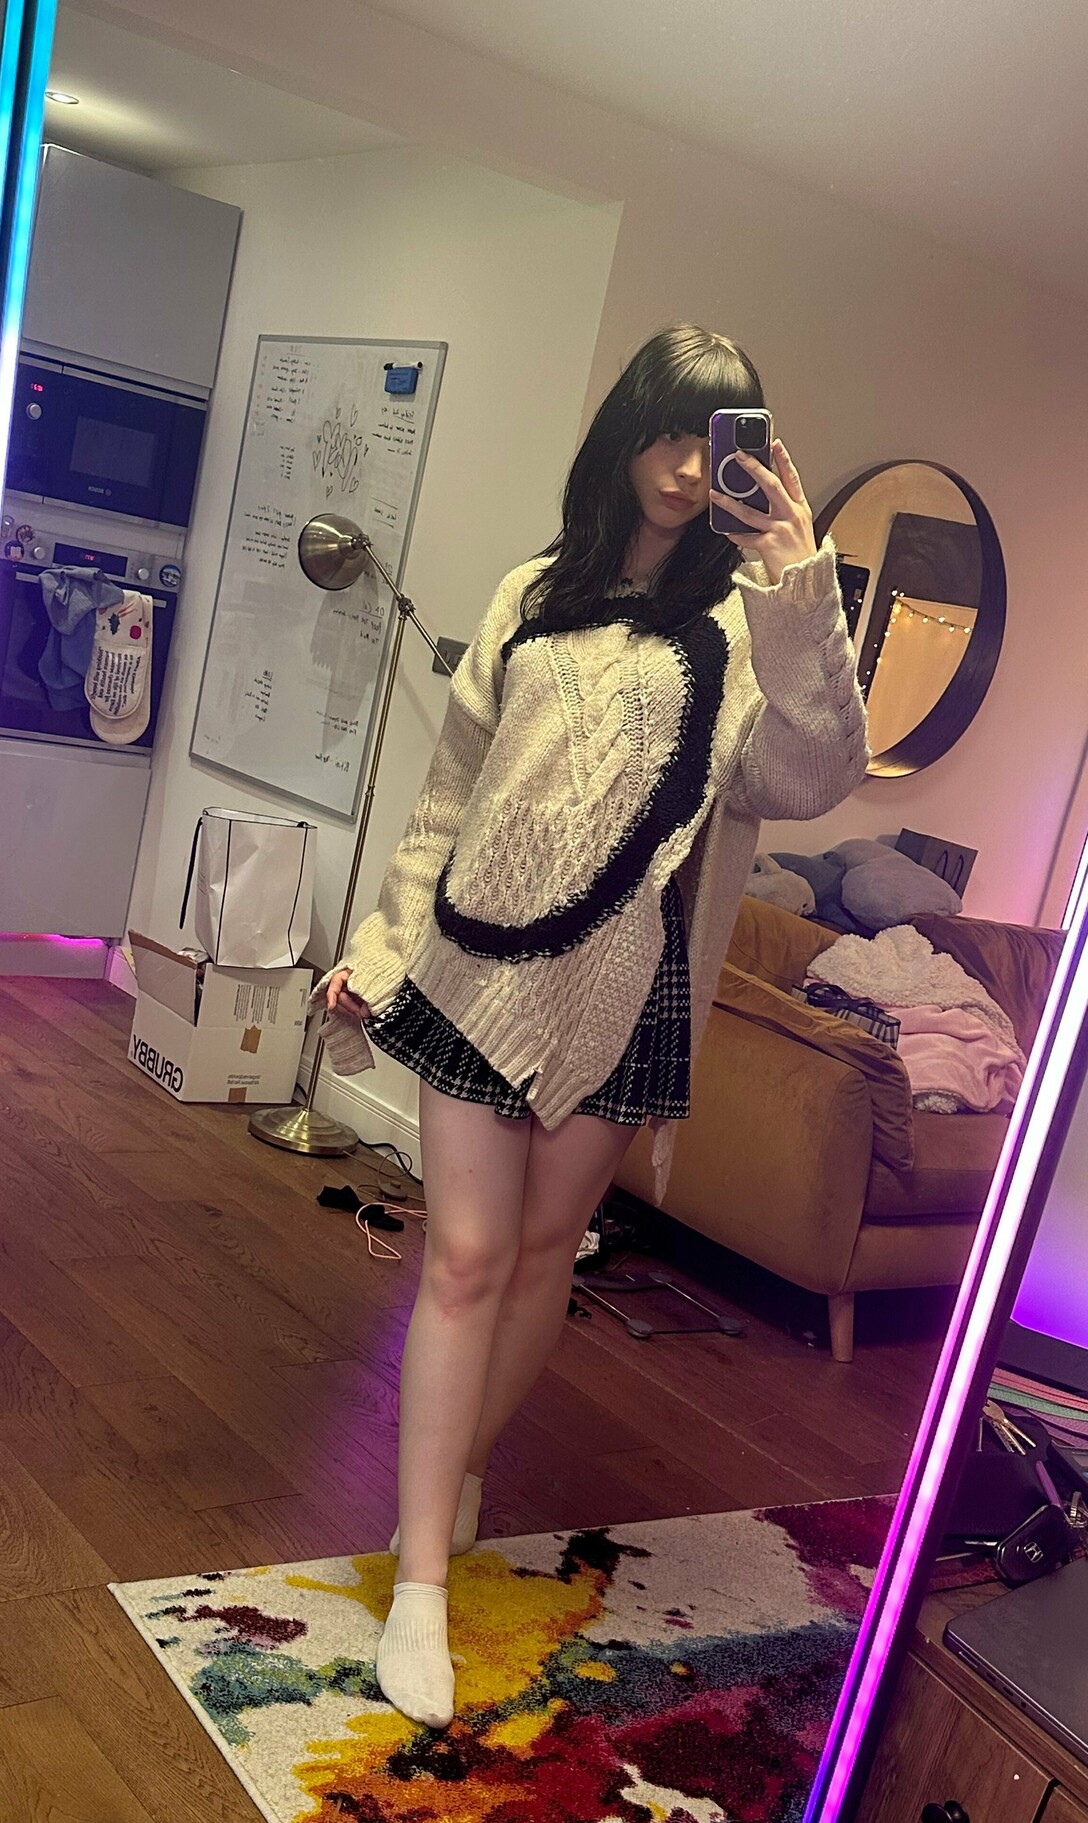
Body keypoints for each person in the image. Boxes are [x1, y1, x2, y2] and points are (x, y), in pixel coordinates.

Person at [305, 322, 871, 1730]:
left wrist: (797, 578)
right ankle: (421, 1577)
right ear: (625, 432)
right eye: (668, 432)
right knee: (464, 1256)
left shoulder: (746, 631)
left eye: (715, 443)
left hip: (631, 983)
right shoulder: (531, 593)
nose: (684, 467)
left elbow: (813, 778)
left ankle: (458, 1473)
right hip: (477, 960)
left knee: (540, 1259)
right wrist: (380, 947)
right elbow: (450, 794)